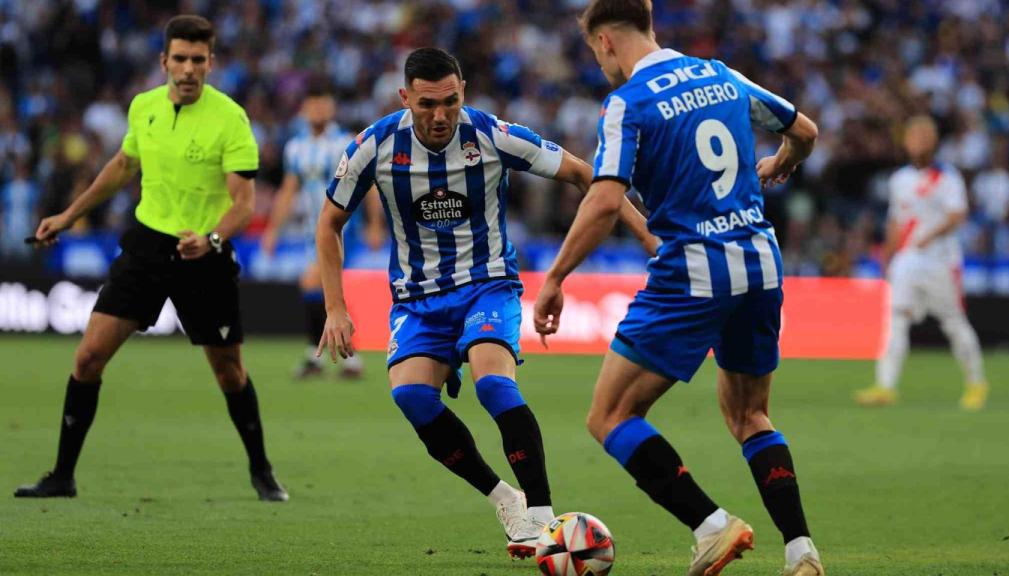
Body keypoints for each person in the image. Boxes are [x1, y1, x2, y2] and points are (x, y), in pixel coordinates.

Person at [316, 47, 658, 558]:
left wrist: (651, 239)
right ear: (405, 98)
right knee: (411, 398)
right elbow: (329, 223)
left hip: (487, 284)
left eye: (450, 102)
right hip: (417, 298)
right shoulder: (374, 146)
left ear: (463, 92)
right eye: (427, 104)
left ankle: (541, 518)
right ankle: (506, 499)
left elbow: (586, 175)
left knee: (493, 384)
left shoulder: (492, 135)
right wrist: (335, 307)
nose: (440, 115)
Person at [533, 2, 823, 575]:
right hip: (760, 262)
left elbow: (605, 200)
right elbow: (805, 132)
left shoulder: (629, 103)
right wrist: (779, 162)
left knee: (610, 415)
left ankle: (712, 526)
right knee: (751, 416)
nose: (599, 62)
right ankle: (801, 552)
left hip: (694, 270)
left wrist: (556, 276)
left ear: (605, 41)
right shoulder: (721, 75)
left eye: (595, 50)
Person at [15, 15, 287, 502]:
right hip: (147, 247)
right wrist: (69, 215)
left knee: (229, 371)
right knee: (88, 357)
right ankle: (62, 476)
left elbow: (244, 204)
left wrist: (211, 239)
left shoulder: (230, 118)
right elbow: (123, 165)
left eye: (197, 59)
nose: (188, 69)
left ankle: (261, 470)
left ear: (211, 63)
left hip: (205, 254)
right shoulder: (144, 107)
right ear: (164, 61)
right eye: (180, 59)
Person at [855, 116, 988, 411]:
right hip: (907, 261)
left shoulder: (947, 177)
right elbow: (895, 222)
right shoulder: (899, 179)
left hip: (940, 260)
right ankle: (885, 386)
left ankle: (976, 382)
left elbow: (957, 215)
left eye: (924, 136)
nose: (918, 142)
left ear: (934, 142)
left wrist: (929, 235)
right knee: (896, 319)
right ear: (906, 142)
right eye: (914, 136)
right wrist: (887, 257)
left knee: (953, 321)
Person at [261, 81, 386, 380]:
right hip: (311, 231)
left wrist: (374, 224)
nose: (318, 109)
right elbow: (289, 189)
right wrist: (273, 229)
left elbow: (368, 186)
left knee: (311, 283)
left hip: (343, 228)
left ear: (332, 108)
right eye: (313, 104)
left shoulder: (346, 143)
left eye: (323, 103)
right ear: (304, 109)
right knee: (322, 289)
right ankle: (338, 358)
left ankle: (327, 357)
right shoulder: (296, 147)